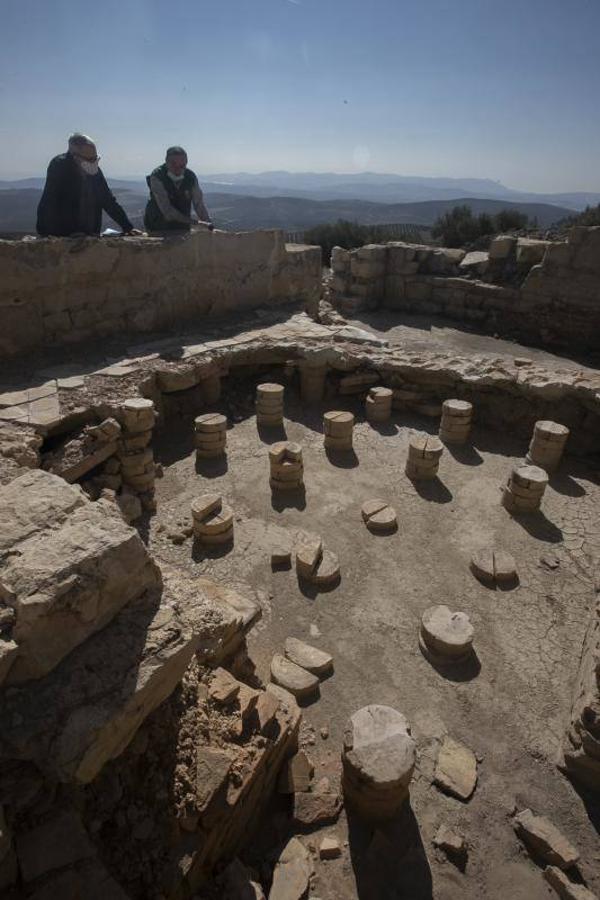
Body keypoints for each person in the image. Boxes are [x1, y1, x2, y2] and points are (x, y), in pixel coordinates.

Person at [36, 134, 139, 237]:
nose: (93, 163)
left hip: (90, 234)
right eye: (89, 160)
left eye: (95, 158)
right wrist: (52, 233)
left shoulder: (95, 171)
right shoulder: (59, 166)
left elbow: (108, 200)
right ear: (74, 156)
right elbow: (50, 202)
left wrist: (128, 227)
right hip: (64, 235)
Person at [144, 146, 213, 234]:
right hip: (158, 225)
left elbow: (199, 204)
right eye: (173, 164)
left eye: (182, 165)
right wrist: (196, 223)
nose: (178, 169)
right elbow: (167, 210)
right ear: (166, 162)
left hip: (183, 225)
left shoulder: (190, 177)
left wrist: (208, 224)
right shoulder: (157, 176)